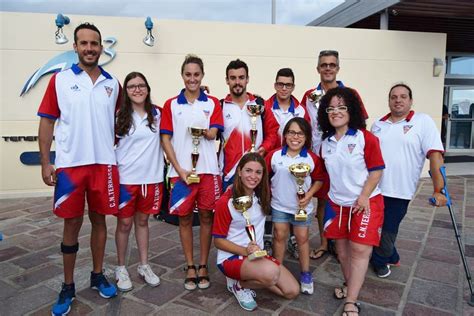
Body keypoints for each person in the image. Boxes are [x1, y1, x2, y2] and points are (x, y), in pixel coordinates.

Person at [38, 23, 119, 316]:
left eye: (94, 43)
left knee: (100, 222)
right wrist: (47, 161)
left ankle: (97, 275)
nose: (89, 48)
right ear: (75, 47)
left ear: (101, 47)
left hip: (103, 165)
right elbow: (47, 121)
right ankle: (68, 284)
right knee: (71, 224)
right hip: (71, 166)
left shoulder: (114, 83)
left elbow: (120, 123)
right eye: (83, 43)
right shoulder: (59, 80)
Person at [318, 87, 385, 315]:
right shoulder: (325, 143)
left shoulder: (365, 138)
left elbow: (377, 171)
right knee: (343, 252)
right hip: (337, 205)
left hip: (365, 202)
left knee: (358, 249)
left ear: (352, 110)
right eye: (331, 108)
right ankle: (350, 286)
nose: (336, 112)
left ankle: (351, 301)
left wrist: (364, 195)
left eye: (341, 107)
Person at [370, 83, 447, 278]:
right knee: (376, 226)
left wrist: (439, 189)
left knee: (388, 228)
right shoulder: (378, 124)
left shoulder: (423, 121)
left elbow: (435, 155)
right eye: (394, 97)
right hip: (374, 188)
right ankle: (393, 256)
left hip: (400, 190)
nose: (398, 100)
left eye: (403, 96)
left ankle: (379, 261)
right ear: (389, 100)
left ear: (410, 101)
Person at [160, 54, 223, 291]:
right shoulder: (171, 104)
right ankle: (189, 265)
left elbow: (216, 131)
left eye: (196, 74)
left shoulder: (212, 103)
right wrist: (178, 169)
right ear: (182, 76)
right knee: (184, 219)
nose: (192, 79)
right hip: (182, 173)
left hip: (208, 171)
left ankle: (204, 264)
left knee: (207, 217)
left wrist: (208, 132)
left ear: (202, 76)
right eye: (188, 74)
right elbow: (165, 139)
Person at [300, 50, 368, 261]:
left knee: (346, 198)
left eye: (331, 64)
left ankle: (344, 244)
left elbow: (361, 122)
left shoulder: (350, 93)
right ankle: (323, 242)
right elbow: (302, 123)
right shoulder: (309, 95)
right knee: (321, 200)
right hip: (320, 156)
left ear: (338, 68)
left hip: (345, 155)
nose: (327, 68)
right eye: (323, 65)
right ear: (318, 68)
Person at [213, 153, 299, 311]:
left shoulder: (262, 196)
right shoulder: (226, 202)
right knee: (271, 274)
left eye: (258, 172)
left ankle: (252, 277)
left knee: (292, 291)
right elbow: (218, 241)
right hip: (231, 258)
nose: (253, 176)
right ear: (239, 171)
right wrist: (245, 250)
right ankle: (238, 285)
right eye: (248, 170)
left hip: (257, 255)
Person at [114, 72, 163, 291]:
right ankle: (121, 267)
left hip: (150, 179)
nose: (137, 89)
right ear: (126, 91)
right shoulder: (118, 116)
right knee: (124, 224)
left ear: (148, 88)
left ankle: (144, 265)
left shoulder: (158, 114)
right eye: (132, 86)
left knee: (142, 222)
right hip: (126, 179)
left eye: (141, 85)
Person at [265, 117, 324, 295]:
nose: (295, 137)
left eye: (300, 133)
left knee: (302, 238)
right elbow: (265, 177)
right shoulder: (275, 155)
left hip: (302, 208)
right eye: (291, 132)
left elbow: (320, 179)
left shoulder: (312, 158)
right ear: (285, 135)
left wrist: (309, 194)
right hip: (280, 206)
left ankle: (305, 273)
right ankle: (277, 270)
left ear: (306, 137)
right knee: (279, 236)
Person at [265, 68, 310, 260]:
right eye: (280, 84)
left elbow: (305, 133)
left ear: (293, 87)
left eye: (288, 85)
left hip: (293, 161)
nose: (284, 88)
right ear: (275, 85)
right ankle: (268, 238)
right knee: (269, 200)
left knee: (292, 197)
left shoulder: (300, 109)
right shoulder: (265, 106)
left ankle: (292, 238)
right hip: (270, 158)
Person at [220, 59, 279, 192]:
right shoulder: (220, 106)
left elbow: (273, 131)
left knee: (257, 211)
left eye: (241, 77)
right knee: (230, 210)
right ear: (227, 80)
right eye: (233, 78)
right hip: (230, 172)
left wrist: (264, 148)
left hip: (256, 171)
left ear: (247, 79)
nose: (237, 82)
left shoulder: (260, 104)